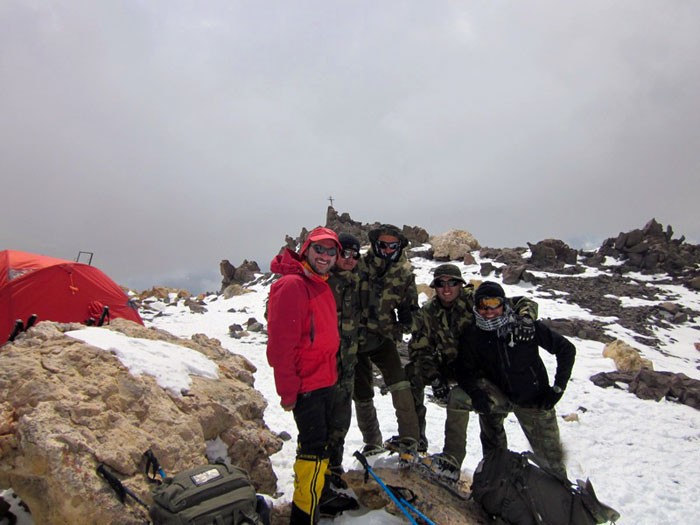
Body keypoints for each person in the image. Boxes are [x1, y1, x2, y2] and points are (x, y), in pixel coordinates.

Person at [410, 266, 539, 481]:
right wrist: (434, 377)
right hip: (451, 366)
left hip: (485, 369)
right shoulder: (428, 312)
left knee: (490, 416)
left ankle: (495, 466)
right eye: (441, 283)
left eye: (452, 282)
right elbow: (419, 349)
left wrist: (526, 320)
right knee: (411, 374)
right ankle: (417, 441)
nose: (447, 288)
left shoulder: (478, 300)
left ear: (461, 284)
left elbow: (524, 303)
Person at [266, 226, 357, 524]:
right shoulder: (293, 285)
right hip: (307, 386)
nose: (325, 256)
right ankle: (303, 517)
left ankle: (318, 500)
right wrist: (288, 391)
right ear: (306, 250)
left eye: (331, 251)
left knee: (319, 449)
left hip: (325, 380)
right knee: (313, 454)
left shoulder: (319, 283)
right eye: (319, 249)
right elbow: (280, 346)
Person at [454, 281, 575, 480]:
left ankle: (560, 493)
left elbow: (566, 349)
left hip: (533, 399)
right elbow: (464, 370)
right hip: (499, 396)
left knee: (552, 465)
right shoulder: (473, 334)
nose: (489, 311)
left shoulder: (524, 327)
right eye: (483, 305)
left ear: (503, 304)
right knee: (493, 452)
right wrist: (476, 394)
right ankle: (495, 478)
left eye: (494, 303)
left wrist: (558, 388)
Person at [353, 224, 421, 463]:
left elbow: (411, 309)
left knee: (400, 384)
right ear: (375, 244)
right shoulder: (358, 265)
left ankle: (410, 440)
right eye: (384, 244)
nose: (388, 249)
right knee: (361, 392)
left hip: (384, 338)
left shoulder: (404, 274)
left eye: (394, 245)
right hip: (355, 339)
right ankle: (372, 442)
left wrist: (407, 320)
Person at [325, 233, 363, 490]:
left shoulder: (358, 282)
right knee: (319, 422)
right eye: (344, 253)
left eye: (354, 255)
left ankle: (334, 469)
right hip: (322, 365)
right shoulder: (321, 281)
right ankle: (314, 474)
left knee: (340, 421)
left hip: (347, 364)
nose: (349, 259)